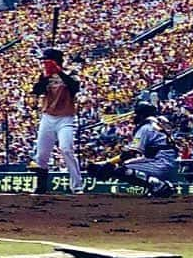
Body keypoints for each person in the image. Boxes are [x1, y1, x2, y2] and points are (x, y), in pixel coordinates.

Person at [86, 102, 176, 198]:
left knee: (121, 170)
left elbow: (131, 153)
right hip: (166, 162)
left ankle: (159, 185)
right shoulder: (158, 124)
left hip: (160, 163)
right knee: (121, 166)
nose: (135, 117)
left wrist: (109, 164)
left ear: (142, 115)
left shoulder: (145, 128)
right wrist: (105, 163)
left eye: (137, 114)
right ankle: (160, 184)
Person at [30, 47, 83, 195]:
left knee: (67, 149)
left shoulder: (71, 73)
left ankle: (77, 186)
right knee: (41, 155)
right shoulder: (44, 75)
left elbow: (74, 88)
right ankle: (41, 186)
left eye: (46, 60)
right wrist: (46, 76)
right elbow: (37, 91)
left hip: (66, 118)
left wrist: (59, 71)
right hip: (48, 117)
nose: (43, 63)